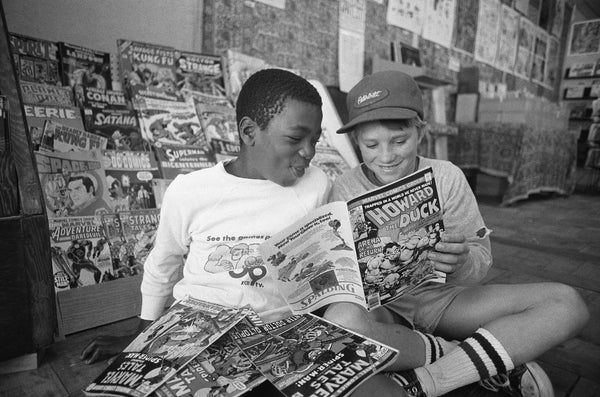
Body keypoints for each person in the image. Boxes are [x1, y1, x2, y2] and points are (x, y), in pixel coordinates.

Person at [323, 70, 590, 397]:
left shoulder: (447, 176)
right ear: (355, 142)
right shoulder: (346, 186)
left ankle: (428, 380)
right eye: (370, 145)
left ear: (420, 132)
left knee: (567, 304)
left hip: (445, 300)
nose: (386, 156)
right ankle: (476, 356)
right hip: (384, 309)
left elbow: (481, 257)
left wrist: (461, 260)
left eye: (399, 140)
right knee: (340, 320)